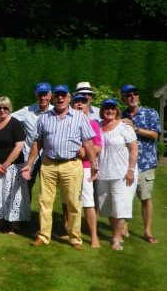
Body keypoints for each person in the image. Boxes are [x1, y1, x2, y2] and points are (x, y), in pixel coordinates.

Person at [22, 84, 97, 250]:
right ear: (52, 98)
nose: (60, 98)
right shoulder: (44, 117)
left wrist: (93, 163)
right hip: (48, 164)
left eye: (64, 95)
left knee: (73, 204)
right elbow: (37, 142)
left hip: (71, 164)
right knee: (45, 202)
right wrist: (29, 164)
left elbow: (88, 143)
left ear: (69, 97)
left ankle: (75, 239)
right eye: (57, 95)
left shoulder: (79, 117)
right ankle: (43, 235)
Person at [121, 84, 161, 244]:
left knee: (145, 197)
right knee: (125, 197)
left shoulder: (150, 113)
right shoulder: (121, 115)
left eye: (135, 93)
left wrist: (135, 129)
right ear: (123, 98)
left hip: (145, 163)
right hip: (126, 164)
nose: (132, 97)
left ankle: (147, 231)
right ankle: (124, 227)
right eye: (128, 95)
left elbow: (155, 135)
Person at [0, 96, 29, 233]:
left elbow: (19, 146)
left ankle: (15, 224)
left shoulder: (16, 124)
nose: (2, 110)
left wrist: (6, 164)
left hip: (13, 167)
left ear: (9, 109)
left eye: (5, 108)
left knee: (14, 195)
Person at [97, 98, 138, 250]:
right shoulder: (98, 127)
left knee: (120, 207)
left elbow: (134, 149)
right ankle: (117, 232)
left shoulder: (124, 127)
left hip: (122, 173)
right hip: (103, 173)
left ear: (117, 110)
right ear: (102, 110)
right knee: (106, 207)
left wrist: (131, 170)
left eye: (112, 108)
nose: (109, 111)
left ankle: (116, 238)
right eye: (106, 108)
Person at [67, 94, 102, 247]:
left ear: (88, 106)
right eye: (76, 102)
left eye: (83, 102)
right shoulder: (67, 122)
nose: (80, 105)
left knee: (88, 202)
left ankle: (94, 236)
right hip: (69, 166)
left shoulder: (93, 124)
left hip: (86, 167)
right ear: (72, 105)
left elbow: (97, 147)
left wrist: (84, 151)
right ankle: (71, 232)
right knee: (68, 201)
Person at [12, 82, 53, 201]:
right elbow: (9, 119)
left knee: (47, 188)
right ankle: (25, 216)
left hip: (48, 156)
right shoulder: (28, 111)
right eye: (40, 95)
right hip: (30, 154)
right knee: (26, 185)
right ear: (36, 96)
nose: (43, 98)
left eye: (45, 95)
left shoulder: (55, 111)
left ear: (50, 96)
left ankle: (43, 217)